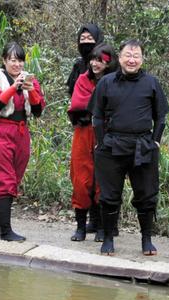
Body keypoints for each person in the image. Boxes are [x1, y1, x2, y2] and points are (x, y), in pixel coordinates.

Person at [89, 39, 169, 256]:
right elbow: (96, 116)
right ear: (120, 58)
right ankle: (107, 239)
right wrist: (100, 141)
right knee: (109, 195)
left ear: (142, 60)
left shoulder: (151, 83)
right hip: (112, 146)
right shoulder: (106, 82)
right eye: (128, 55)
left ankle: (146, 240)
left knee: (146, 195)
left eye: (136, 56)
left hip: (143, 145)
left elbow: (161, 116)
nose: (132, 60)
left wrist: (155, 141)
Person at [0, 42, 46, 241]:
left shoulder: (29, 79)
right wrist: (13, 88)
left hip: (21, 132)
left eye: (19, 60)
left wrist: (31, 90)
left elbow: (38, 111)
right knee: (5, 179)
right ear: (4, 61)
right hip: (2, 130)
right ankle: (6, 231)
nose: (16, 64)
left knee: (15, 178)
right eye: (12, 60)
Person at [67, 43, 117, 242]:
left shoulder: (114, 81)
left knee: (102, 180)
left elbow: (113, 108)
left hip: (105, 134)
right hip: (83, 131)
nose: (95, 63)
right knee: (81, 179)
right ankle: (80, 227)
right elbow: (79, 104)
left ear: (109, 62)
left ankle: (102, 228)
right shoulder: (82, 79)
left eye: (101, 60)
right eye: (93, 59)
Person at [66, 24, 104, 96]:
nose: (86, 41)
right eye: (82, 39)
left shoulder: (108, 62)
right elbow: (72, 91)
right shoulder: (78, 66)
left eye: (90, 38)